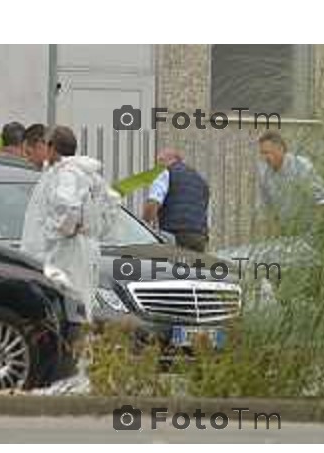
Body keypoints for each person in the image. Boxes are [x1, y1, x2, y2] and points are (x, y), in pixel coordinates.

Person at [21, 126, 120, 319]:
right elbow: (113, 203)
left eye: (29, 152)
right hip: (81, 251)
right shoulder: (88, 174)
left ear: (49, 147)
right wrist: (95, 229)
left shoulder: (66, 173)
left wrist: (64, 230)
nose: (27, 158)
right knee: (80, 308)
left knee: (67, 310)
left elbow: (67, 206)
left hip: (65, 255)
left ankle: (71, 347)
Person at [256, 130, 324, 236]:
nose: (264, 158)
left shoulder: (301, 166)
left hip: (311, 233)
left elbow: (323, 201)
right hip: (286, 235)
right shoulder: (264, 174)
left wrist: (313, 233)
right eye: (262, 153)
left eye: (267, 152)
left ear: (280, 149)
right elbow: (266, 209)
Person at [142, 148, 210, 252]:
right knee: (194, 267)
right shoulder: (200, 180)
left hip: (174, 235)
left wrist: (143, 226)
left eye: (160, 161)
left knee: (171, 267)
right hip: (199, 237)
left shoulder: (165, 173)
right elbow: (205, 211)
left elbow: (153, 203)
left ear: (169, 160)